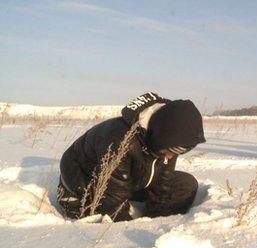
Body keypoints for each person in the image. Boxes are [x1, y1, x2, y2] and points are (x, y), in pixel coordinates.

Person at [57, 92, 206, 221]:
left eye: (181, 151)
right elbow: (111, 205)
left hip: (128, 181)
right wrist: (130, 231)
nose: (172, 155)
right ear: (163, 134)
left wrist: (156, 220)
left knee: (186, 185)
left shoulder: (165, 141)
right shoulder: (120, 140)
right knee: (105, 217)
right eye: (173, 149)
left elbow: (163, 181)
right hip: (86, 189)